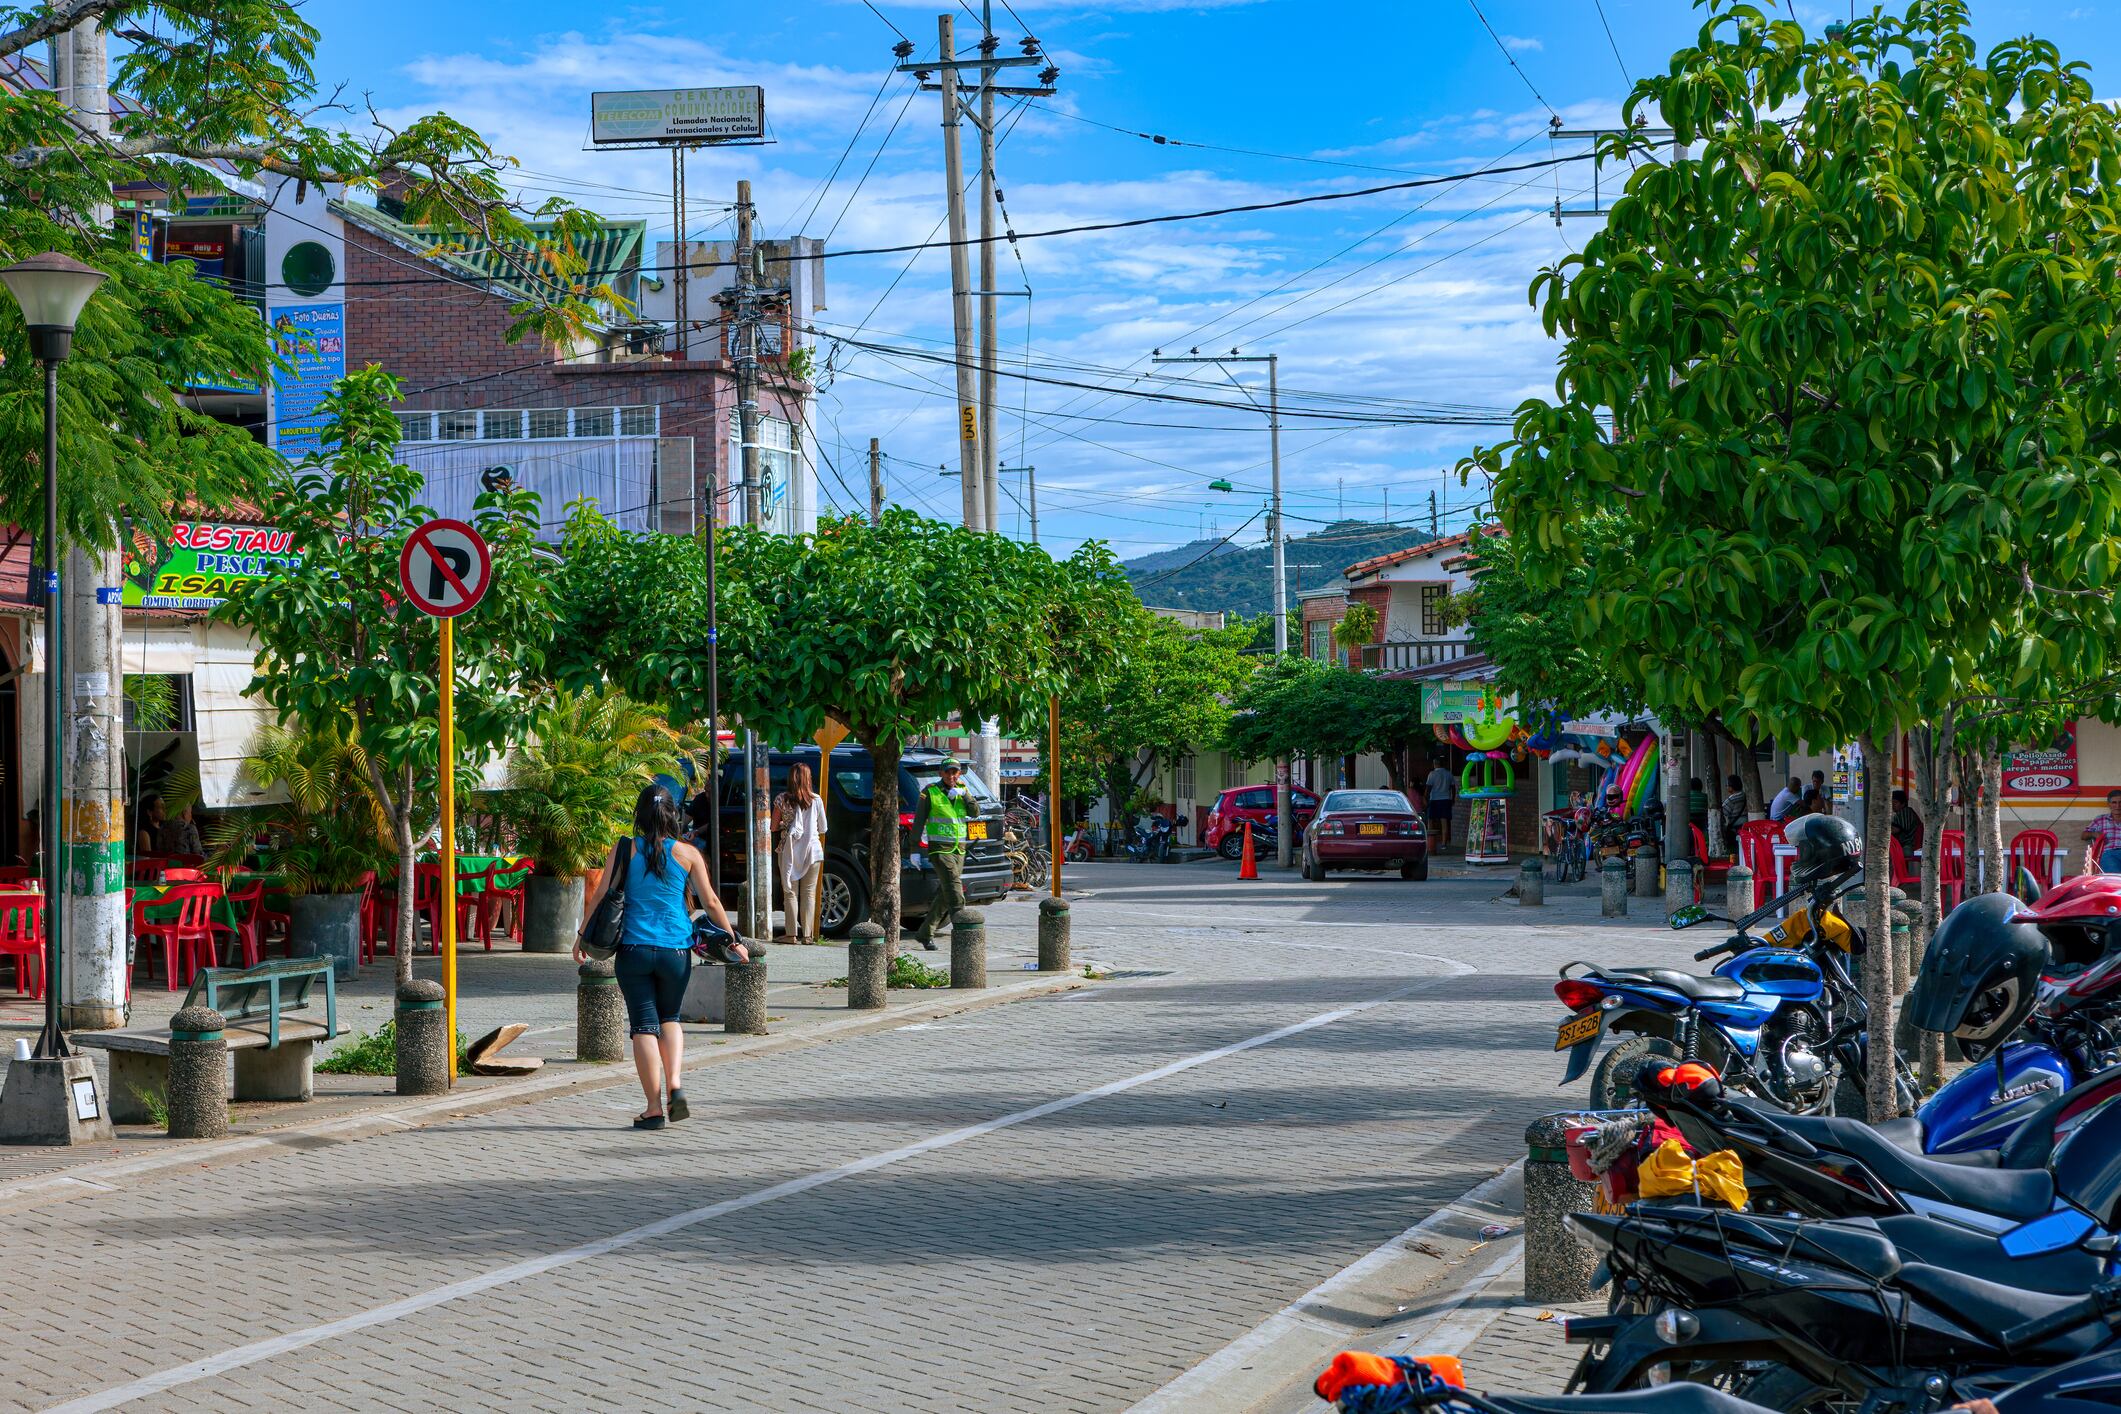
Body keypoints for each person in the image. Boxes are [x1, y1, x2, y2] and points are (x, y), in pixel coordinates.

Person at [575, 783, 742, 1131]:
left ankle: (653, 1109)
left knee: (643, 1029)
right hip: (676, 952)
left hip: (634, 952)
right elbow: (711, 902)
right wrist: (732, 938)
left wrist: (581, 937)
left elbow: (601, 894)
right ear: (673, 815)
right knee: (670, 1019)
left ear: (640, 815)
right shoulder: (688, 853)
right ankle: (675, 1085)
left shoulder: (625, 849)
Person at [910, 757, 976, 952]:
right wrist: (914, 849)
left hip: (959, 849)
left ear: (959, 774)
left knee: (946, 893)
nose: (951, 776)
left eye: (955, 772)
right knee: (956, 893)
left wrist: (965, 795)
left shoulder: (963, 789)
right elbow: (919, 821)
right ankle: (964, 935)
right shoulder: (930, 792)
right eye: (948, 772)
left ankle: (925, 933)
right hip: (940, 849)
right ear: (941, 773)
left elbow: (975, 812)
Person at [774, 763, 828, 943]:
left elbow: (773, 827)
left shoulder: (781, 799)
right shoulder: (816, 800)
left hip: (788, 850)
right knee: (809, 893)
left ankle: (791, 935)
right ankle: (807, 936)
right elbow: (823, 828)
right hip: (812, 851)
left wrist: (785, 825)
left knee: (790, 892)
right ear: (808, 778)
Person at [2082, 791, 2121, 875]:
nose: (2118, 806)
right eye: (2114, 802)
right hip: (2108, 853)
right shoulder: (2100, 819)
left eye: (2120, 802)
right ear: (2109, 804)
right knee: (2115, 876)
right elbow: (2083, 835)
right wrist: (2094, 834)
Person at [1423, 758, 1457, 848]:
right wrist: (1453, 798)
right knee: (1444, 821)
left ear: (1435, 764)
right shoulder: (1448, 773)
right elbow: (1453, 788)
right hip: (1446, 799)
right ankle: (1444, 843)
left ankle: (1430, 842)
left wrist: (1425, 799)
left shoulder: (1432, 774)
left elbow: (1428, 788)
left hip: (1434, 799)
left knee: (1430, 820)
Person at [1890, 789, 1924, 859]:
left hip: (1908, 847)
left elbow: (1896, 830)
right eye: (1891, 802)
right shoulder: (1908, 811)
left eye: (1895, 802)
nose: (1893, 805)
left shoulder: (1904, 812)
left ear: (1903, 804)